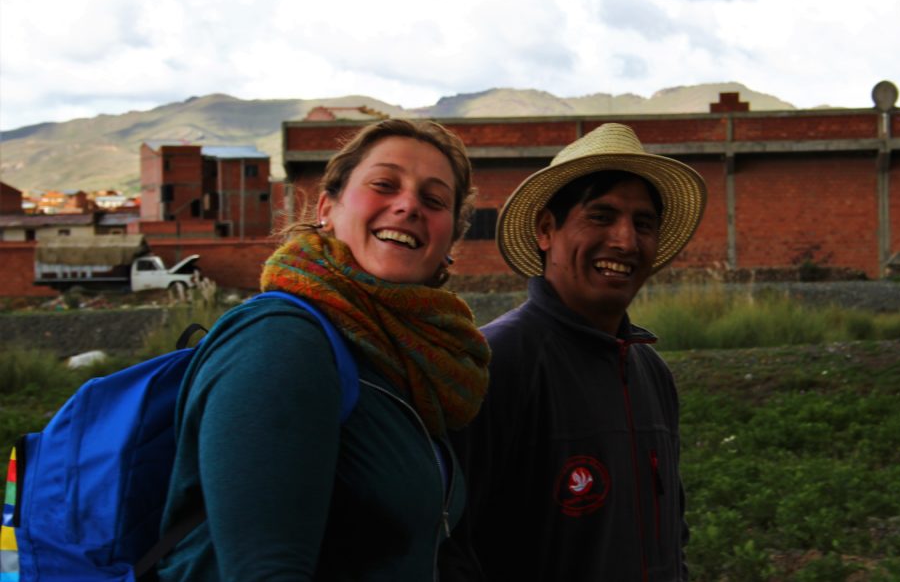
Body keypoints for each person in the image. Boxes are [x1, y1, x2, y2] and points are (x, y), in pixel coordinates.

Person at [157, 119, 491, 580]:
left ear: (448, 242)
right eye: (383, 184)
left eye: (433, 200)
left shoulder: (410, 360)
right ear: (326, 209)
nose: (409, 205)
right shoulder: (280, 341)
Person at [440, 123, 707, 582]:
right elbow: (449, 549)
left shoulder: (652, 372)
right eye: (601, 217)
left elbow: (671, 535)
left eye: (644, 224)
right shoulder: (493, 365)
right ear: (547, 230)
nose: (625, 241)